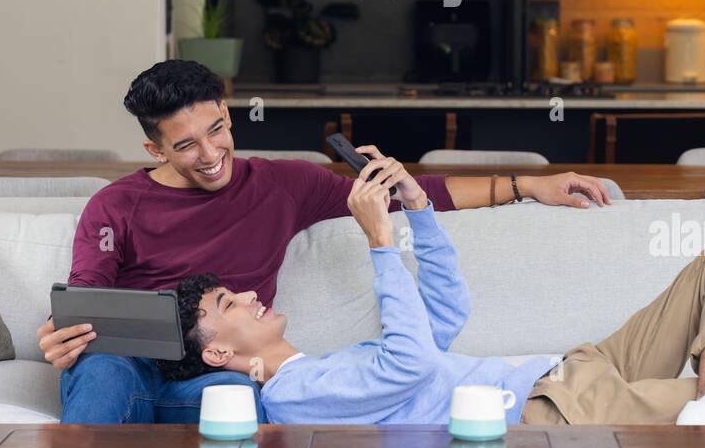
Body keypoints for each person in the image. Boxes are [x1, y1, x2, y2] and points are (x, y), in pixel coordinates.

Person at [40, 59, 609, 425]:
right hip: (133, 367)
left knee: (256, 404)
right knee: (102, 371)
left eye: (217, 130)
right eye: (186, 146)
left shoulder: (282, 185)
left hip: (223, 373)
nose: (211, 155)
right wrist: (64, 333)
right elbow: (87, 298)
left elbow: (410, 190)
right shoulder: (114, 207)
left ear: (229, 116)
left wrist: (528, 184)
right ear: (156, 151)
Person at [160, 155, 705, 429]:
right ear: (218, 355)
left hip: (575, 369)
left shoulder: (323, 368)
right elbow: (412, 361)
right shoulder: (295, 397)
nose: (246, 296)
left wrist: (416, 212)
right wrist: (379, 242)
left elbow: (446, 314)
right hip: (550, 411)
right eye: (227, 305)